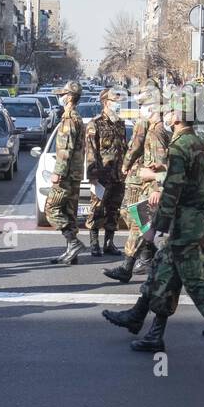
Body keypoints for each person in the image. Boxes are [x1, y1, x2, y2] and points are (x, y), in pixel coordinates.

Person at [101, 89, 204, 365]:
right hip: (198, 221)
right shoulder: (201, 142)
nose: (167, 114)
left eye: (171, 110)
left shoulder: (179, 146)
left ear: (179, 115)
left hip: (185, 225)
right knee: (163, 273)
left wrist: (155, 227)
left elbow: (173, 189)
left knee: (197, 283)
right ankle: (146, 326)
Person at [104, 82, 164, 282]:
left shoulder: (155, 129)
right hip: (144, 180)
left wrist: (157, 187)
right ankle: (151, 255)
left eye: (144, 104)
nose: (141, 109)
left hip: (148, 183)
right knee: (136, 220)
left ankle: (128, 267)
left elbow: (159, 164)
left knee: (140, 223)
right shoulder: (153, 126)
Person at [45, 81, 87, 265]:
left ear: (69, 97)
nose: (60, 98)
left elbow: (66, 149)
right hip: (75, 173)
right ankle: (71, 253)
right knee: (69, 212)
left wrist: (58, 172)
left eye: (62, 94)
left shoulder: (69, 118)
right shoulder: (76, 117)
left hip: (67, 174)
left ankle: (73, 242)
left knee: (51, 209)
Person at [85, 88, 127, 257]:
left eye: (118, 100)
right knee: (97, 209)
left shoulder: (120, 123)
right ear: (105, 102)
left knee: (113, 209)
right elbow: (91, 151)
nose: (117, 103)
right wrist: (93, 175)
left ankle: (109, 243)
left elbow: (123, 148)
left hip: (118, 174)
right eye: (114, 100)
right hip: (102, 176)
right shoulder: (95, 124)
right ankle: (94, 243)